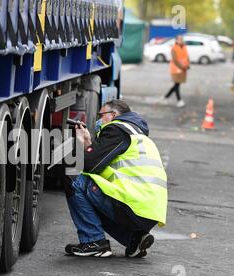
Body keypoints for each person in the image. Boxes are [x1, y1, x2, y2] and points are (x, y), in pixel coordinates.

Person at [63, 100, 168, 258]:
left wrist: (79, 142)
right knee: (97, 193)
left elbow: (88, 164)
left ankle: (94, 242)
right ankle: (134, 238)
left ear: (113, 115)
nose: (98, 120)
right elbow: (103, 166)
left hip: (133, 206)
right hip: (148, 211)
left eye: (101, 116)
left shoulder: (117, 130)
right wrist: (89, 144)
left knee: (72, 177)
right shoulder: (138, 136)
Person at [163, 35, 190, 108]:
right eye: (179, 39)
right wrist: (182, 67)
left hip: (183, 69)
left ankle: (166, 97)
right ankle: (179, 100)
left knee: (177, 85)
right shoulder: (174, 48)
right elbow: (175, 60)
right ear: (176, 40)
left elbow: (187, 57)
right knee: (177, 85)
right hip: (176, 69)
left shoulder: (184, 47)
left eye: (182, 39)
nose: (181, 40)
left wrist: (187, 65)